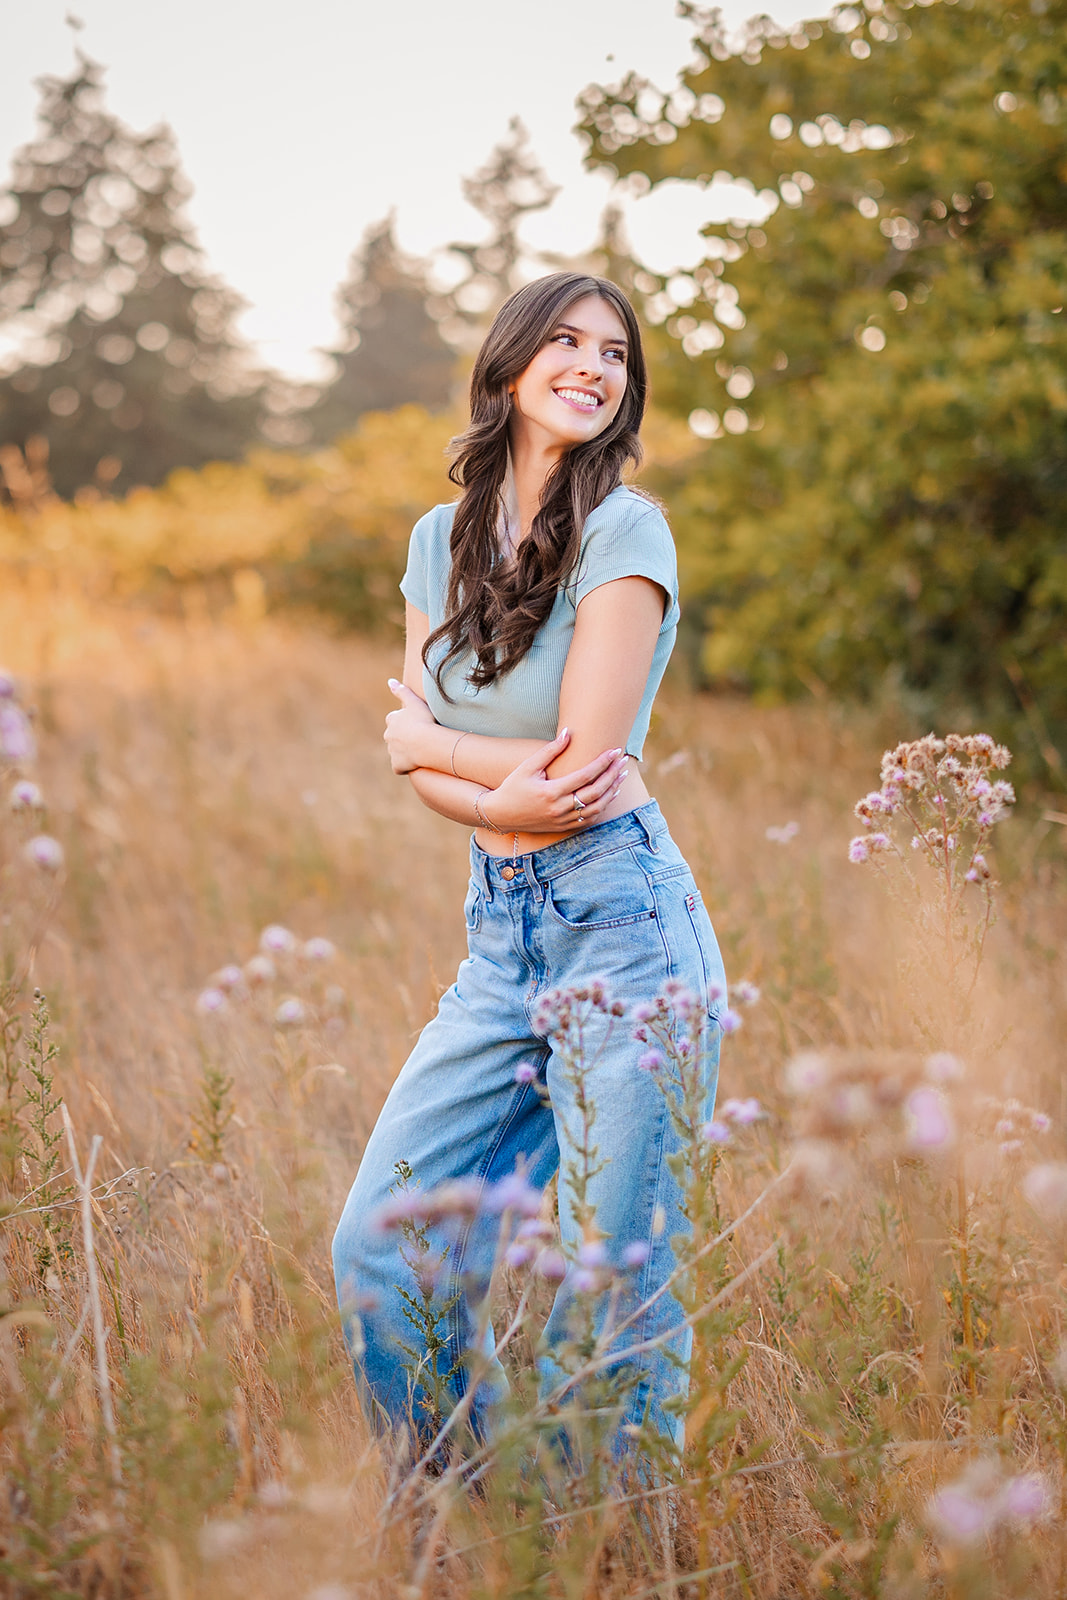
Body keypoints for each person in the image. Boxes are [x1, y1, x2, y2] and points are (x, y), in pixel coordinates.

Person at [332, 271, 726, 1468]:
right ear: (507, 363)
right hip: (499, 938)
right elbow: (439, 789)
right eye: (564, 340)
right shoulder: (433, 540)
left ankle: (603, 1556)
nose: (592, 367)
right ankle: (478, 1524)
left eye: (614, 353)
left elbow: (580, 769)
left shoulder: (626, 529)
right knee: (380, 1248)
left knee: (608, 1291)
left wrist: (436, 746)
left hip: (624, 927)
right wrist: (468, 779)